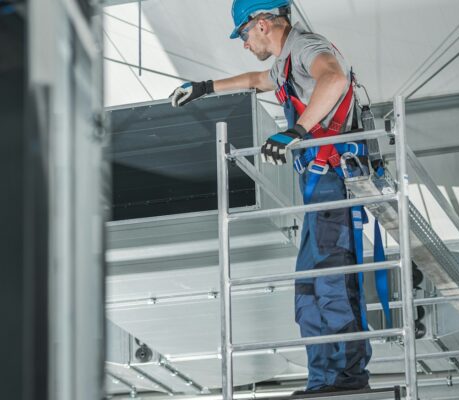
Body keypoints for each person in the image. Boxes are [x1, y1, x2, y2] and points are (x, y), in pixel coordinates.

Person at [168, 0, 371, 394]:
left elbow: (334, 79)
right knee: (308, 290)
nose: (244, 43)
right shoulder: (284, 63)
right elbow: (257, 81)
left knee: (331, 281)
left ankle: (348, 378)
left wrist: (297, 131)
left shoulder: (308, 47)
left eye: (243, 34)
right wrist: (204, 88)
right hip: (316, 187)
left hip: (331, 179)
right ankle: (324, 379)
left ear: (262, 24)